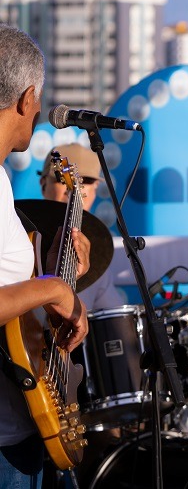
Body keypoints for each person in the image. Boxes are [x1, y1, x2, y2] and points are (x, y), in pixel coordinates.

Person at [0, 25, 89, 485]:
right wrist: (53, 287)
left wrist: (59, 269)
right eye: (38, 102)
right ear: (26, 97)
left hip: (22, 427)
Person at [38, 143, 124, 310]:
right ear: (44, 184)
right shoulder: (19, 236)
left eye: (86, 180)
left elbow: (114, 320)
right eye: (63, 179)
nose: (75, 190)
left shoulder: (98, 254)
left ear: (96, 188)